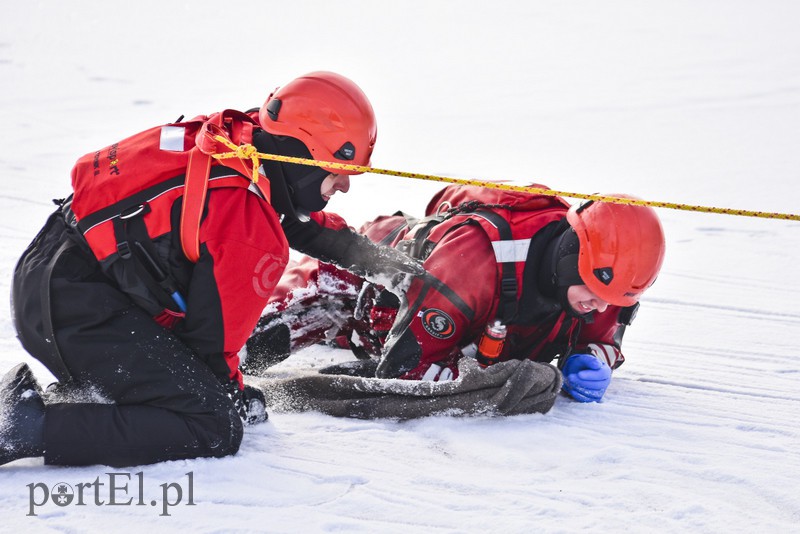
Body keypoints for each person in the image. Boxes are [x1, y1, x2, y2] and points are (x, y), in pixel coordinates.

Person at [1, 71, 418, 467]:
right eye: (338, 172)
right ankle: (25, 427)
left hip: (53, 273)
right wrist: (229, 394)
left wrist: (386, 266)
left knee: (197, 393)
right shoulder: (247, 229)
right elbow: (212, 346)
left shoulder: (239, 144)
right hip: (76, 310)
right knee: (211, 424)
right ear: (303, 157)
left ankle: (81, 400)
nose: (344, 185)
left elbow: (289, 217)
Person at [243, 183, 666, 406]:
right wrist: (484, 380)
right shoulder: (477, 258)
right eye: (595, 292)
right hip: (359, 289)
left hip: (459, 326)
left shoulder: (600, 284)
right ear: (569, 257)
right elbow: (406, 370)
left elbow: (604, 339)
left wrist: (590, 361)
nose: (602, 306)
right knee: (245, 347)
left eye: (614, 300)